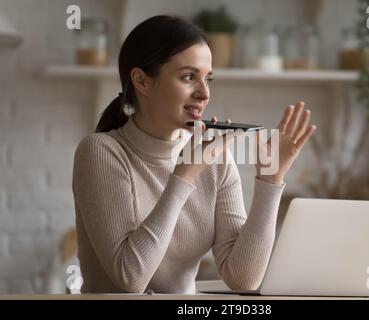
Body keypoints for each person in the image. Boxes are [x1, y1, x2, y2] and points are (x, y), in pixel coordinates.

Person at [72, 15, 316, 294]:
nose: (204, 93)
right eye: (189, 77)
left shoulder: (216, 159)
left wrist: (270, 181)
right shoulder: (100, 152)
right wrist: (184, 174)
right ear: (141, 81)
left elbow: (244, 279)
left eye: (208, 78)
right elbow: (130, 278)